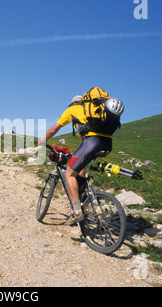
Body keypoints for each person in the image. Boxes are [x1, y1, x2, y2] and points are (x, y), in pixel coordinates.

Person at [39, 94, 124, 224]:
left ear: (73, 103)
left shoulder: (72, 110)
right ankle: (82, 195)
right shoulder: (95, 109)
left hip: (91, 142)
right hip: (107, 143)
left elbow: (54, 129)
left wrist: (44, 140)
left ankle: (77, 211)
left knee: (69, 173)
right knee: (79, 168)